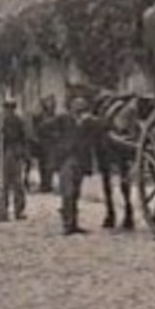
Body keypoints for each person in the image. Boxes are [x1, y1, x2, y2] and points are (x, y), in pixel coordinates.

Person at [50, 95, 97, 235]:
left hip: (80, 160)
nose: (80, 111)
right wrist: (58, 143)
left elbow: (103, 126)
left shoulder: (88, 122)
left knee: (76, 192)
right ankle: (67, 224)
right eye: (77, 107)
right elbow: (44, 128)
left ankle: (74, 223)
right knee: (68, 192)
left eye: (82, 108)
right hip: (66, 159)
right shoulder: (63, 119)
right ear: (71, 108)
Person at [0, 99, 28, 222]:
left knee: (7, 183)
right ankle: (15, 211)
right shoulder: (16, 120)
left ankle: (3, 213)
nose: (8, 110)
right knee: (15, 183)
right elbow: (24, 137)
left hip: (9, 153)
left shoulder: (5, 121)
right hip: (13, 153)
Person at [31, 95, 59, 193]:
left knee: (49, 165)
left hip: (51, 144)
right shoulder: (40, 115)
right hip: (42, 143)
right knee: (43, 165)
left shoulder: (54, 116)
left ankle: (47, 184)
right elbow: (36, 126)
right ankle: (44, 184)